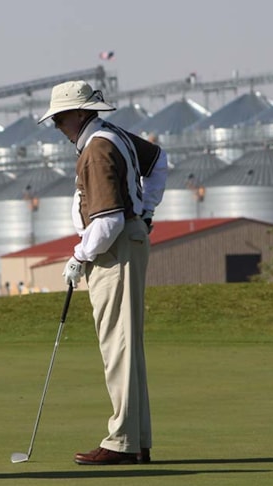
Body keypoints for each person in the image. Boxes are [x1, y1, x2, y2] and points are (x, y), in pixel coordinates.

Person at [38, 81, 167, 465]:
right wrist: (146, 211)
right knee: (127, 345)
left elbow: (108, 220)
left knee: (119, 346)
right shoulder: (113, 136)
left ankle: (123, 440)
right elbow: (158, 161)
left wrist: (79, 256)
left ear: (81, 113)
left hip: (114, 250)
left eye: (61, 118)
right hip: (127, 240)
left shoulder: (97, 148)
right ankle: (137, 440)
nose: (59, 126)